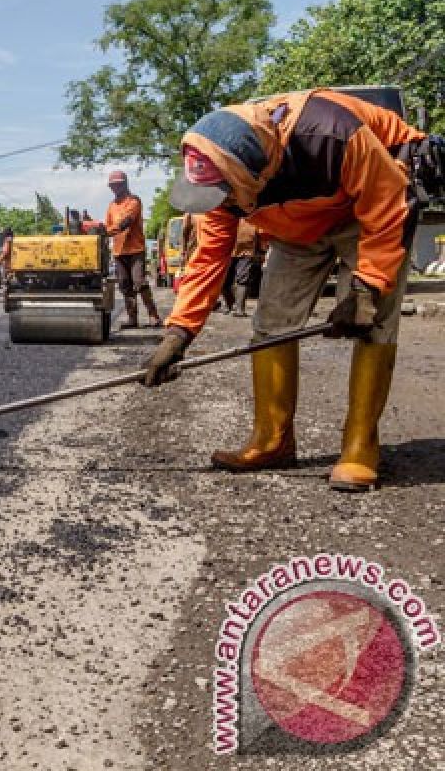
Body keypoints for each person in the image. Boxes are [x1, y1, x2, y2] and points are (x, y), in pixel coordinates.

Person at [142, 89, 429, 491]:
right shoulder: (223, 179)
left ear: (253, 174)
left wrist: (366, 289)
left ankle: (360, 445)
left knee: (373, 322)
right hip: (298, 223)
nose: (218, 203)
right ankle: (272, 440)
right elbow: (208, 259)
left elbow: (387, 208)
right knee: (272, 320)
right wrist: (179, 333)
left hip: (374, 206)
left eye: (223, 194)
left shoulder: (332, 137)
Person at [105, 170, 162, 328]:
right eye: (112, 185)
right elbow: (108, 226)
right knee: (124, 284)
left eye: (117, 184)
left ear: (124, 184)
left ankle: (153, 315)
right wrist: (103, 231)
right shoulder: (111, 206)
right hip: (118, 251)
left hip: (135, 249)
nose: (115, 188)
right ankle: (132, 318)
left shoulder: (134, 201)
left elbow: (127, 222)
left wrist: (108, 230)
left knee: (139, 282)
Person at [220, 219, 261, 317]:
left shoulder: (252, 214)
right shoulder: (230, 213)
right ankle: (229, 304)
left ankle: (240, 308)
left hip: (247, 251)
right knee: (224, 279)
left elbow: (260, 232)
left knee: (243, 279)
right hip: (228, 249)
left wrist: (260, 250)